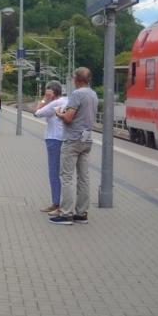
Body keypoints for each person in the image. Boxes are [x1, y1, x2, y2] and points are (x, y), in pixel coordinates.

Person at [50, 67, 98, 225]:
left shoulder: (77, 94)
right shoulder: (93, 94)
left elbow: (69, 118)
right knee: (84, 178)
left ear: (76, 79)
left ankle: (66, 214)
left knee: (67, 177)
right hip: (87, 140)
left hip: (72, 140)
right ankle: (81, 213)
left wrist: (59, 114)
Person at [33, 81, 67, 214]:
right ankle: (62, 202)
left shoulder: (54, 103)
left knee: (53, 172)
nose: (47, 95)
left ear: (54, 93)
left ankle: (56, 203)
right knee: (64, 173)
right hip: (65, 139)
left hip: (53, 139)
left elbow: (37, 113)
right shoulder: (67, 99)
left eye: (49, 93)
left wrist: (44, 100)